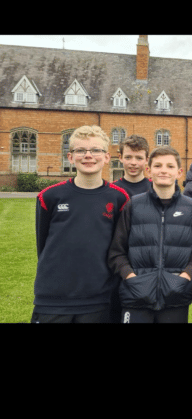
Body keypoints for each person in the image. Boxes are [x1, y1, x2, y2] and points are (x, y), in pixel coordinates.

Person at [32, 125, 129, 323]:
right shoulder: (49, 196)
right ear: (70, 157)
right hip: (53, 299)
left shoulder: (119, 198)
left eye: (95, 150)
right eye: (80, 150)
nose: (88, 155)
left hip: (98, 299)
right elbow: (42, 246)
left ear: (107, 157)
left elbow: (120, 247)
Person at [108, 146, 192, 323]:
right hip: (136, 296)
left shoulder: (191, 208)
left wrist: (185, 277)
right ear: (149, 170)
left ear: (179, 172)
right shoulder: (133, 206)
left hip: (176, 296)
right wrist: (132, 278)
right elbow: (117, 252)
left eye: (169, 166)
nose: (164, 171)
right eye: (158, 166)